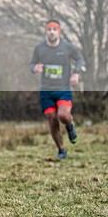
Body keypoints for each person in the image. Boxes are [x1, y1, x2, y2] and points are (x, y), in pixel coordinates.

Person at [29, 19, 85, 160]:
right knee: (53, 120)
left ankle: (70, 125)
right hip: (46, 91)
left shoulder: (67, 47)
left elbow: (80, 59)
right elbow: (31, 64)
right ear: (46, 31)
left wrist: (76, 73)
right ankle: (61, 150)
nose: (52, 32)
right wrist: (35, 68)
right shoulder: (39, 48)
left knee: (63, 116)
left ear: (59, 31)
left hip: (63, 89)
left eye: (55, 29)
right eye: (49, 29)